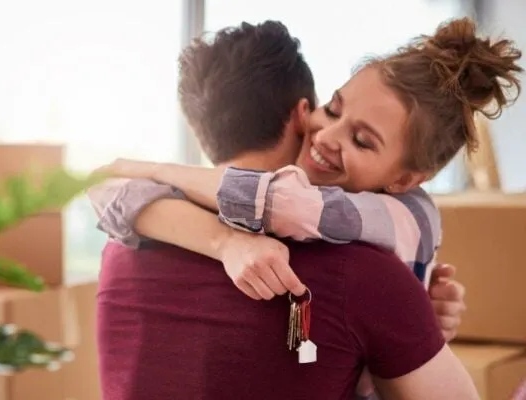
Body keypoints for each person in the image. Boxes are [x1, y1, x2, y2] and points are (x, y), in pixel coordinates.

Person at [93, 18, 498, 399]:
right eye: (334, 110)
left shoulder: (122, 246)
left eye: (362, 139)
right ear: (303, 114)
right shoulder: (365, 275)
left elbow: (277, 201)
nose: (328, 136)